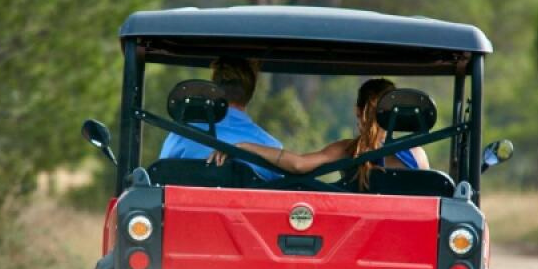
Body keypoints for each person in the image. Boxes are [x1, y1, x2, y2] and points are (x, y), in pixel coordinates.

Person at [213, 78, 429, 189]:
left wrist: (244, 146)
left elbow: (298, 165)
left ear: (357, 111)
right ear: (395, 112)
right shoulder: (416, 155)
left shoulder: (348, 149)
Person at [159, 57, 283, 180]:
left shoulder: (182, 135)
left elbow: (160, 176)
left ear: (214, 90)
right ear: (251, 92)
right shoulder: (271, 148)